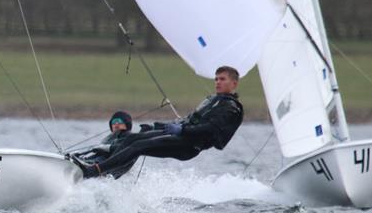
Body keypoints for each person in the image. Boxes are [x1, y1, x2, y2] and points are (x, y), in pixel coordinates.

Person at [73, 66, 244, 179]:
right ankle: (100, 165)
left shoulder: (230, 107)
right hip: (181, 136)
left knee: (138, 146)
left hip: (188, 146)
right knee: (131, 139)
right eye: (216, 79)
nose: (218, 82)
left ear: (234, 83)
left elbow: (209, 130)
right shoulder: (215, 100)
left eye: (222, 79)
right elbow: (191, 120)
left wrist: (180, 130)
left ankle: (95, 171)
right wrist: (162, 127)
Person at [68, 111, 139, 179]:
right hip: (103, 166)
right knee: (99, 153)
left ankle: (89, 164)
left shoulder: (129, 136)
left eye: (119, 122)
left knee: (104, 154)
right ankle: (84, 161)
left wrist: (106, 148)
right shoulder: (112, 138)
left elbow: (124, 149)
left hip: (113, 168)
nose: (116, 124)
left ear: (127, 124)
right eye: (114, 122)